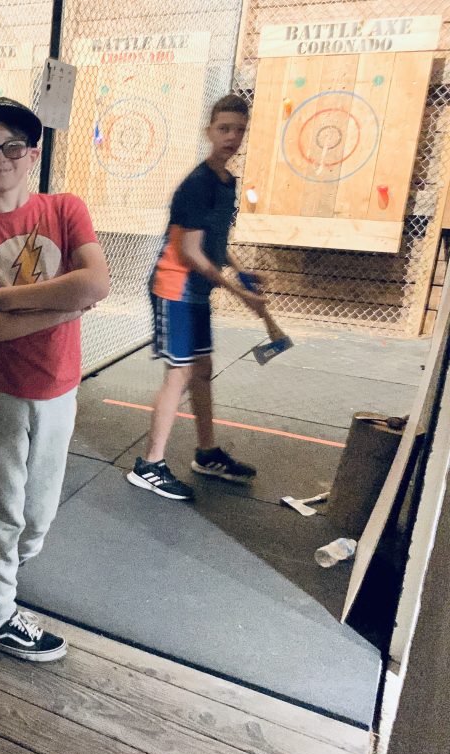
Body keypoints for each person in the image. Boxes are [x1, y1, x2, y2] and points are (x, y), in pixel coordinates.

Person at [0, 97, 111, 662]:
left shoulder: (64, 209)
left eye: (13, 146)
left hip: (59, 389)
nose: (1, 157)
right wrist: (64, 309)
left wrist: (7, 299)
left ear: (33, 155)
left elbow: (95, 283)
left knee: (36, 518)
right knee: (3, 512)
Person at [126, 94, 265, 502]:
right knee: (181, 372)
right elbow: (189, 252)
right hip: (175, 288)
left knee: (202, 369)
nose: (232, 137)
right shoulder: (197, 184)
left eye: (239, 130)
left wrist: (240, 271)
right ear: (209, 131)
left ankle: (206, 452)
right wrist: (240, 294)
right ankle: (149, 465)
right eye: (224, 128)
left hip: (198, 290)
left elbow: (214, 241)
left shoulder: (226, 182)